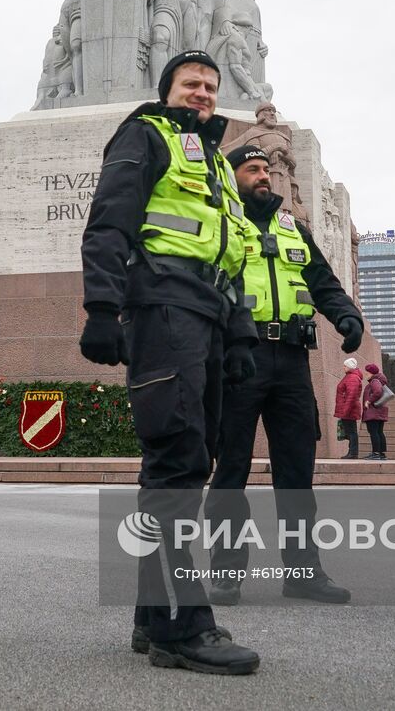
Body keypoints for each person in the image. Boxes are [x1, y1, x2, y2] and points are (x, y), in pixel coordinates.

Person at [79, 48, 260, 675]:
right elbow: (110, 223)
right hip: (162, 311)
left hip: (206, 316)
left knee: (186, 462)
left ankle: (153, 614)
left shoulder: (213, 160)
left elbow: (231, 250)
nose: (203, 93)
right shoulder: (145, 134)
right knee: (178, 461)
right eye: (191, 84)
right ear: (168, 90)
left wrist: (238, 337)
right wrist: (102, 308)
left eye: (210, 86)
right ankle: (183, 628)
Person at [204, 144, 364, 606]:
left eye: (265, 170)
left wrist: (346, 317)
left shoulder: (293, 227)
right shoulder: (219, 223)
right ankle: (227, 573)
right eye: (252, 169)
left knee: (297, 473)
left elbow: (324, 282)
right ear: (232, 176)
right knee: (230, 470)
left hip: (292, 361)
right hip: (239, 359)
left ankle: (302, 572)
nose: (263, 176)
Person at [334, 358, 364, 459]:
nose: (343, 367)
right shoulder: (351, 377)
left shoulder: (352, 378)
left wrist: (345, 411)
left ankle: (353, 453)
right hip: (349, 408)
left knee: (351, 432)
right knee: (351, 431)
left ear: (350, 366)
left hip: (349, 409)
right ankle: (352, 452)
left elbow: (351, 395)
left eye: (345, 366)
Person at [361, 363, 390, 460]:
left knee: (374, 432)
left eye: (367, 372)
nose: (366, 374)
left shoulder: (374, 381)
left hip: (373, 411)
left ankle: (376, 453)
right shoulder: (379, 381)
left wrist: (369, 401)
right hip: (379, 411)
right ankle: (381, 453)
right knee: (379, 432)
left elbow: (377, 392)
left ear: (372, 373)